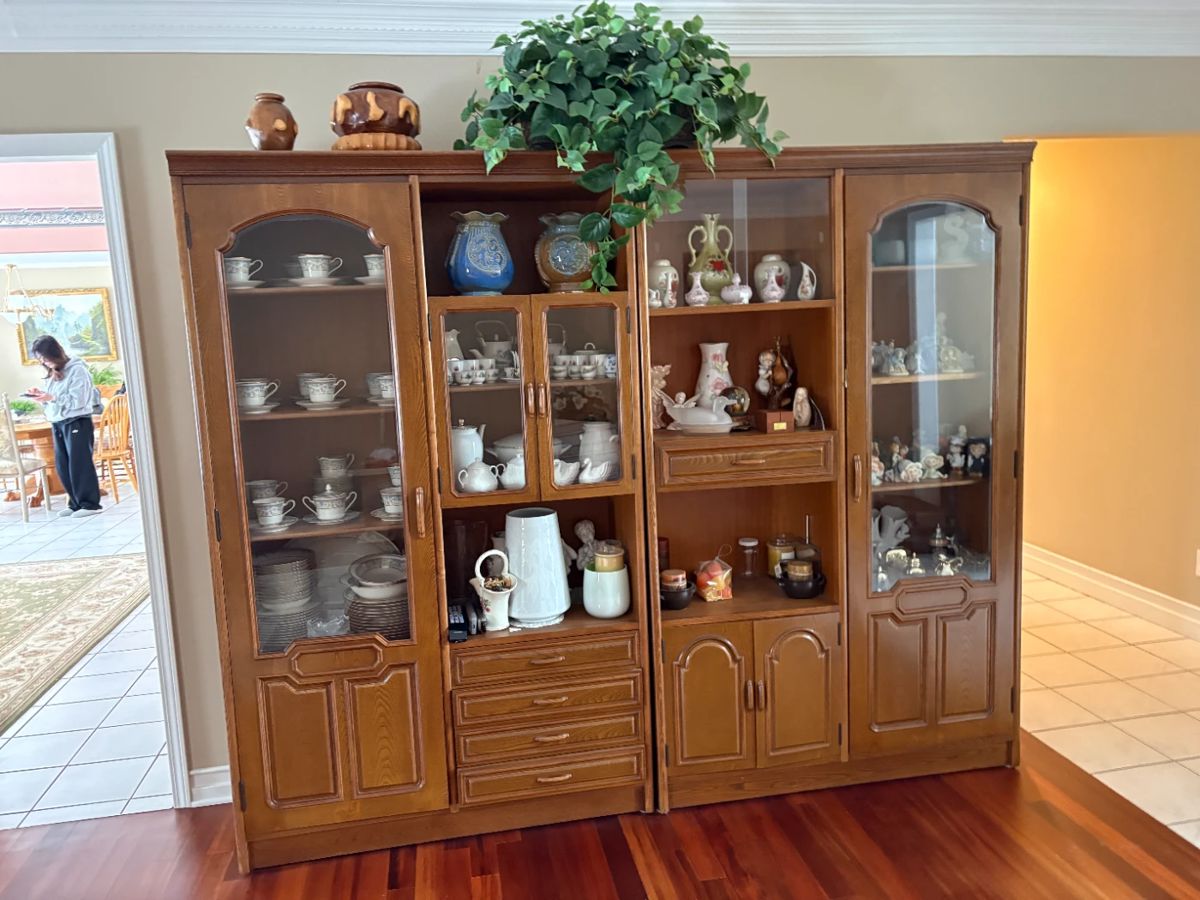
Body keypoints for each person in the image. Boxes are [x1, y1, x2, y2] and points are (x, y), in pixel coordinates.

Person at [24, 335, 103, 517]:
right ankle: (75, 502)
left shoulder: (78, 370)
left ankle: (89, 504)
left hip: (77, 421)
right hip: (58, 422)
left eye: (45, 357)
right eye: (40, 359)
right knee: (63, 464)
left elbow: (79, 401)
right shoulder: (54, 373)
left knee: (79, 463)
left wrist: (52, 398)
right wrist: (42, 396)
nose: (43, 361)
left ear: (54, 352)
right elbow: (55, 400)